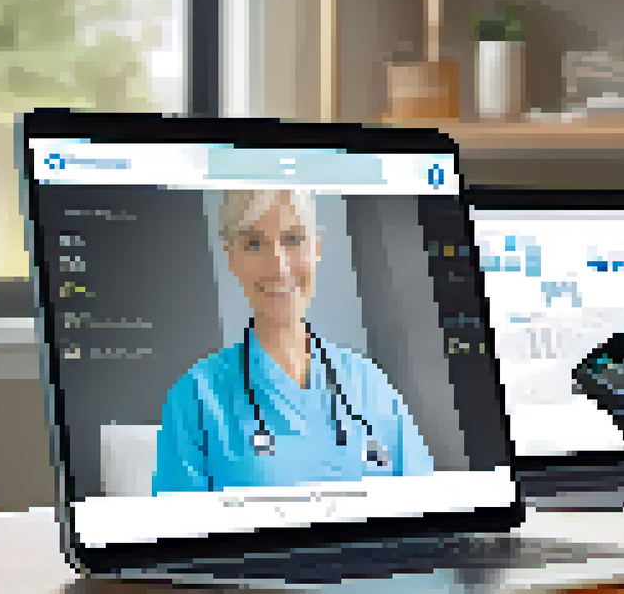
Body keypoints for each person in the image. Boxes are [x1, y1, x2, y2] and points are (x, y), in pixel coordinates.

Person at [152, 189, 435, 494]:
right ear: (232, 259)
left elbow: (430, 512)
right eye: (254, 244)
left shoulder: (371, 384)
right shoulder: (196, 398)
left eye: (293, 239)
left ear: (317, 247)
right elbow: (180, 536)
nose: (279, 266)